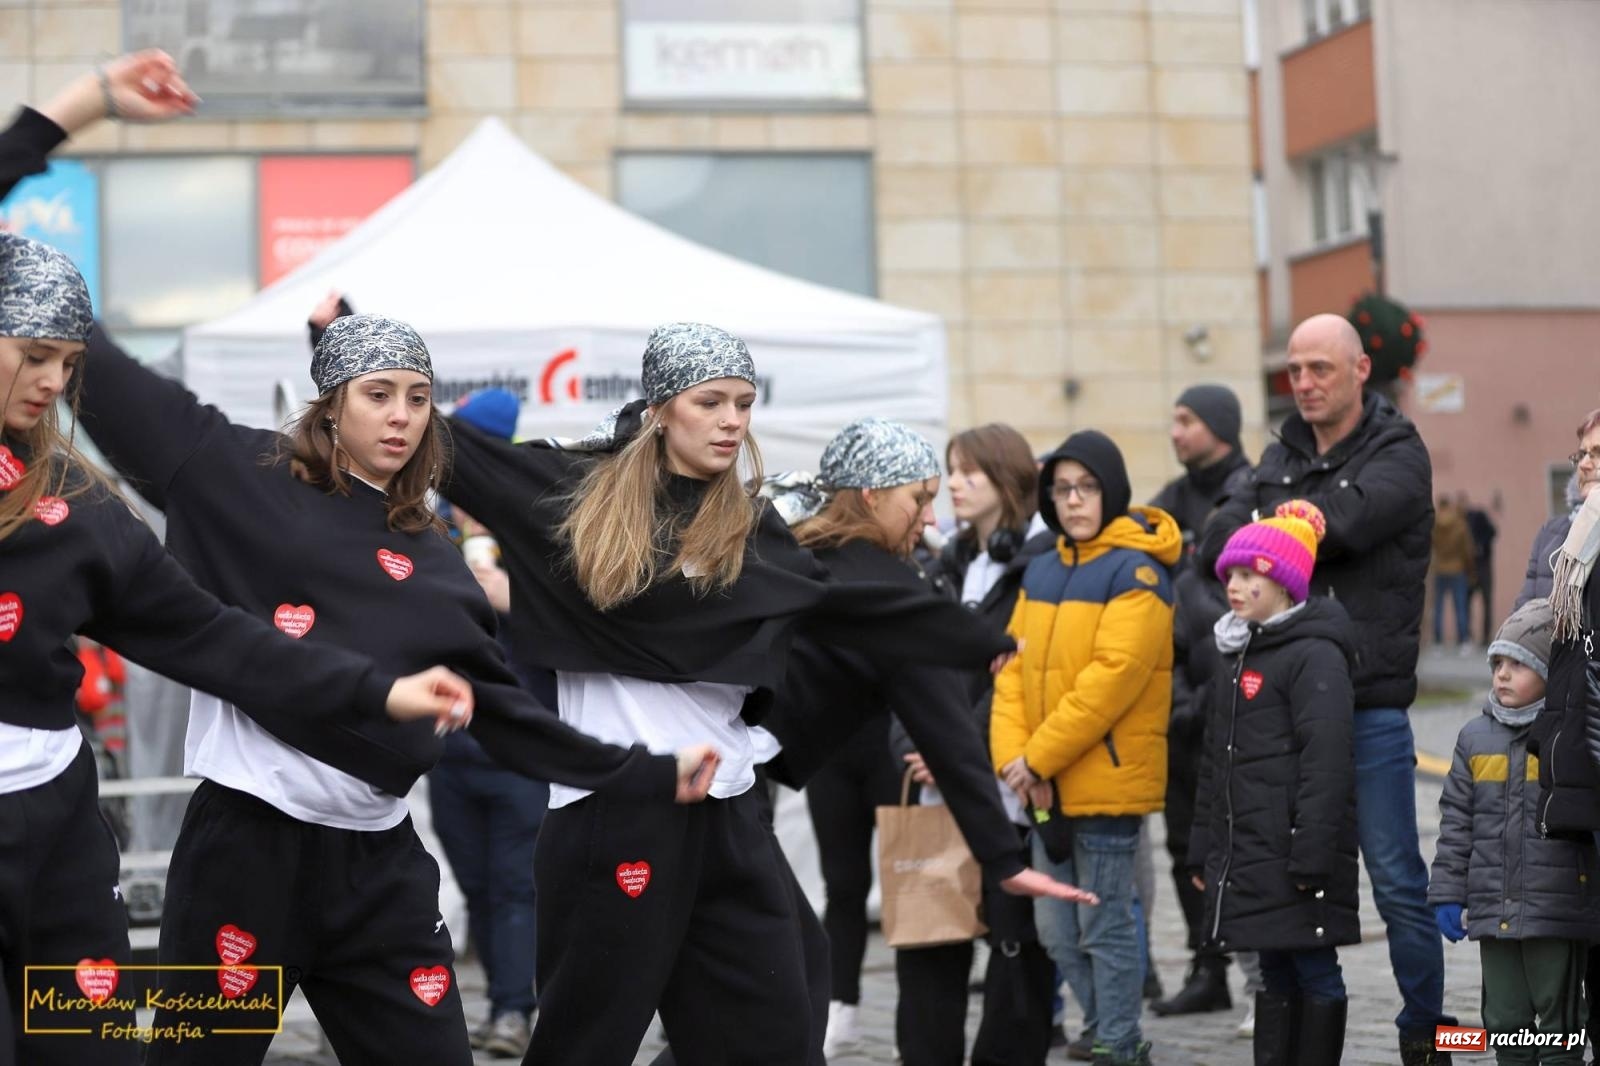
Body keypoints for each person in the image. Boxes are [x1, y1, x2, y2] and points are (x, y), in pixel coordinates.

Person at [71, 306, 720, 1066]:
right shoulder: (236, 474)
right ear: (332, 402)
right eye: (378, 394)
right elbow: (119, 392)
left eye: (418, 397)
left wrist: (643, 771)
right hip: (247, 850)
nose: (402, 416)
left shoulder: (436, 559)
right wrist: (52, 304)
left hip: (379, 869)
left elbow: (506, 713)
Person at [438, 324, 1054, 1066]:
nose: (733, 419)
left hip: (729, 810)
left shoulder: (753, 526)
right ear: (663, 408)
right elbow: (438, 444)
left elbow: (850, 607)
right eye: (712, 402)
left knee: (778, 1026)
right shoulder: (574, 496)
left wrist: (977, 641)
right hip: (618, 812)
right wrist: (349, 358)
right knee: (586, 1041)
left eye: (744, 403)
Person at [1198, 313, 1454, 1066]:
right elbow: (1219, 540)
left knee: (1395, 877)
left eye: (1320, 370)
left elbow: (1341, 523)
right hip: (1276, 703)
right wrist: (1275, 526)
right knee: (1283, 871)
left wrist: (1278, 525)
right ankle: (1297, 1021)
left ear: (1360, 370)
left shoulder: (1399, 453)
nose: (1303, 384)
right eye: (1295, 372)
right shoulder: (1278, 453)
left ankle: (1427, 1032)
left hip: (1367, 702)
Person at [991, 429, 1182, 1066]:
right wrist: (1017, 765)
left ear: (1113, 490)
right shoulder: (1043, 566)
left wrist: (1037, 759)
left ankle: (1120, 1043)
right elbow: (1010, 672)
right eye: (1062, 489)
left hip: (1104, 782)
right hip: (1041, 784)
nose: (1074, 501)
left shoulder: (1139, 570)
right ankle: (1104, 1027)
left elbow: (1111, 681)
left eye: (1088, 487)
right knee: (1055, 929)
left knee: (1104, 924)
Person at [890, 422, 1061, 1066]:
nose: (954, 484)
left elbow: (1022, 679)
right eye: (950, 471)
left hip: (1005, 794)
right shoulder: (941, 563)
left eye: (970, 473)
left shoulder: (1040, 568)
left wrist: (954, 751)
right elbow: (905, 666)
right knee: (927, 952)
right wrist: (914, 744)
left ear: (1010, 481)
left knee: (1017, 957)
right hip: (933, 796)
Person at [1189, 501, 1358, 1066]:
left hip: (1296, 851)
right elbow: (1216, 761)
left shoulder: (1315, 654)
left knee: (1314, 966)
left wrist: (1311, 851)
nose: (1233, 586)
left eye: (1247, 575)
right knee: (1273, 968)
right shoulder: (1236, 654)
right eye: (1228, 576)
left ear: (1283, 581)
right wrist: (1203, 851)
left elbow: (1327, 760)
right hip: (1253, 853)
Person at [428, 389, 547, 1059]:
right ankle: (508, 995)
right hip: (453, 747)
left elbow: (510, 606)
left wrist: (481, 545)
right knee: (475, 881)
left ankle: (512, 1009)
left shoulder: (524, 525)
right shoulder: (432, 523)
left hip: (519, 747)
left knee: (511, 884)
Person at [1431, 598, 1597, 1066]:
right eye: (1497, 663)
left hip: (1556, 910)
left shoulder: (1571, 737)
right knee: (1504, 1023)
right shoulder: (1474, 738)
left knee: (1559, 1025)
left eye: (1518, 665)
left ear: (1550, 671)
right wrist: (1448, 891)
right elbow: (1456, 822)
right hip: (1493, 911)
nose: (1502, 674)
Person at [1147, 384, 1253, 1021]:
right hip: (1174, 704)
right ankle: (1204, 965)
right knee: (1182, 843)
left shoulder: (1245, 491)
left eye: (1186, 420)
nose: (1176, 431)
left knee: (1233, 842)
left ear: (1218, 425)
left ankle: (1257, 971)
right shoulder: (1169, 500)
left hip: (1230, 697)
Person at [1517, 410, 1600, 608]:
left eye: (1597, 453)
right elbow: (1523, 619)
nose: (1584, 464)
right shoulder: (1551, 534)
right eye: (1582, 455)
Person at [1433, 495, 1475, 652]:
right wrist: (1469, 567)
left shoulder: (1434, 523)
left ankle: (1437, 642)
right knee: (1460, 606)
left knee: (1438, 607)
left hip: (1440, 568)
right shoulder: (1460, 524)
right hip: (1457, 568)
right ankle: (1463, 641)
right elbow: (1467, 550)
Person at [1462, 493, 1498, 647]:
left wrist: (1480, 546)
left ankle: (1482, 636)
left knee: (1482, 601)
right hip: (1472, 566)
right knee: (1469, 602)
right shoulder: (1461, 520)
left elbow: (1492, 532)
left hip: (1480, 565)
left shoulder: (1477, 516)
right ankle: (1472, 635)